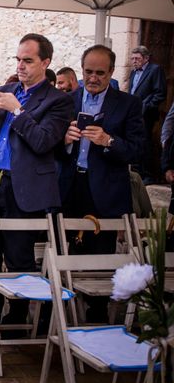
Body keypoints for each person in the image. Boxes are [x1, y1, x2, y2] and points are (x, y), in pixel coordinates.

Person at [0, 33, 72, 340]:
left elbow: (43, 142)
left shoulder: (59, 101)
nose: (21, 66)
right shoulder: (8, 89)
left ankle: (17, 318)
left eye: (28, 60)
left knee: (17, 256)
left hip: (22, 189)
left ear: (45, 62)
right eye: (18, 59)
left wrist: (17, 111)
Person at [58, 45, 144, 322]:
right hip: (69, 187)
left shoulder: (128, 104)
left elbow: (138, 150)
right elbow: (48, 149)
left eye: (99, 73)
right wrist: (65, 140)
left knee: (100, 254)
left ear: (111, 72)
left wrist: (109, 141)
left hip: (105, 191)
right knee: (61, 249)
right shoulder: (68, 101)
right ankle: (55, 313)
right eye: (88, 72)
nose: (93, 78)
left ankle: (96, 315)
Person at [128, 45, 166, 183]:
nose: (134, 61)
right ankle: (137, 172)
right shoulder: (133, 72)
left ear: (146, 58)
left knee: (145, 143)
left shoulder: (155, 70)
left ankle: (148, 175)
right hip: (134, 113)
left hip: (147, 115)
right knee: (136, 141)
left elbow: (160, 93)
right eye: (132, 58)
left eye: (137, 58)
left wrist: (147, 107)